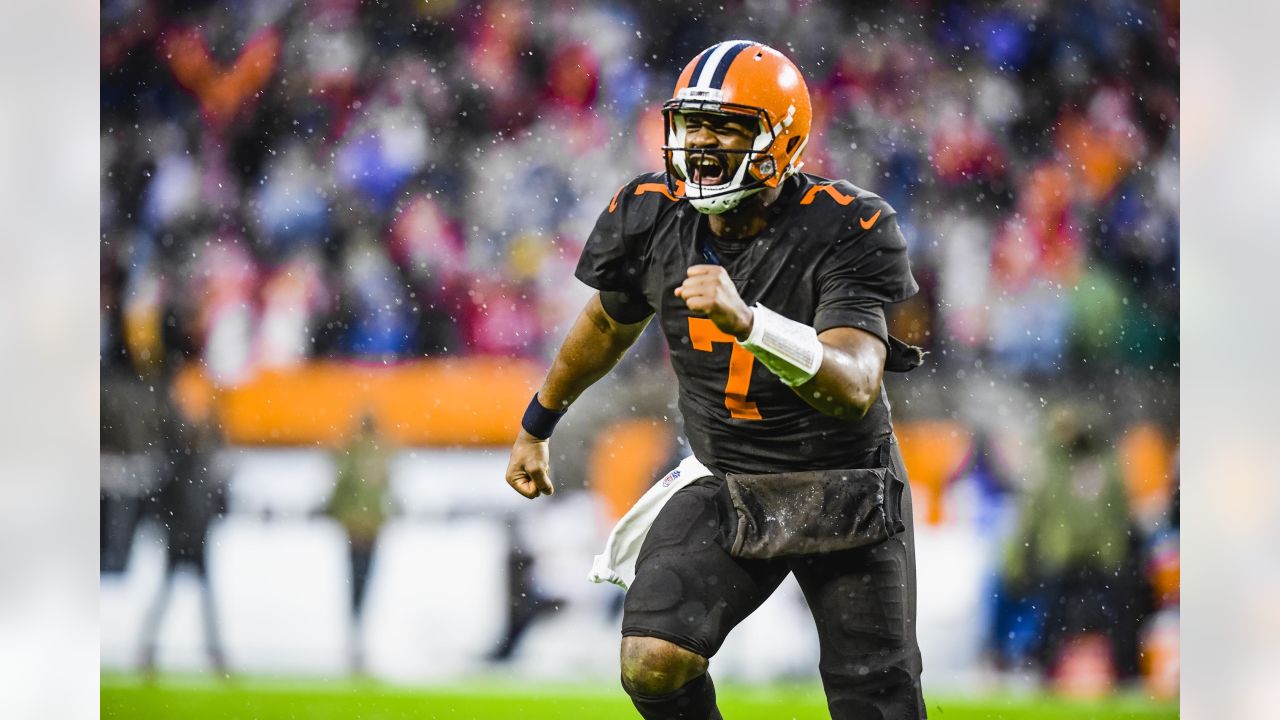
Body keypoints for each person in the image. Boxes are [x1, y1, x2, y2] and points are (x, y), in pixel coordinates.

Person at [504, 41, 927, 719]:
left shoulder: (848, 223)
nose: (701, 142)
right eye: (692, 123)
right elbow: (608, 324)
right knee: (652, 659)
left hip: (845, 485)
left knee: (874, 702)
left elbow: (853, 385)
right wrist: (538, 423)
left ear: (781, 139)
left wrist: (752, 323)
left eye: (728, 126)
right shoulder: (651, 213)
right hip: (727, 478)